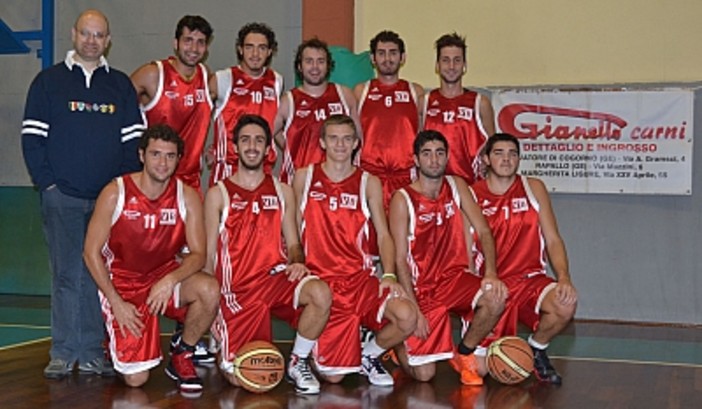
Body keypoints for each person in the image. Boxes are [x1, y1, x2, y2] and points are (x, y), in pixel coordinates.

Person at [21, 9, 144, 379]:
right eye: (86, 33)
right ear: (74, 35)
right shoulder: (48, 82)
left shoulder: (120, 85)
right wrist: (49, 185)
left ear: (108, 40)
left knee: (97, 275)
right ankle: (62, 351)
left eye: (99, 35)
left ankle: (92, 351)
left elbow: (133, 142)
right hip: (63, 198)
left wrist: (119, 191)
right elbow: (32, 139)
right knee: (65, 275)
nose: (92, 40)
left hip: (107, 202)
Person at [83, 125, 219, 392]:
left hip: (162, 277)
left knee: (209, 289)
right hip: (123, 284)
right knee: (137, 380)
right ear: (142, 155)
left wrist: (169, 280)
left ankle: (183, 353)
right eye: (156, 154)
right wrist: (116, 301)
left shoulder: (187, 196)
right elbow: (90, 252)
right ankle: (114, 344)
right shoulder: (115, 192)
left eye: (170, 156)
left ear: (179, 159)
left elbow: (199, 254)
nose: (163, 162)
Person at [205, 114, 332, 395]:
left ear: (268, 149)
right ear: (235, 147)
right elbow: (208, 255)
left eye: (259, 140)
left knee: (320, 293)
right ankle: (222, 338)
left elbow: (294, 242)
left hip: (275, 279)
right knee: (245, 378)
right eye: (245, 140)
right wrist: (210, 308)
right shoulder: (218, 194)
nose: (252, 146)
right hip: (237, 292)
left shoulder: (282, 190)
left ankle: (298, 361)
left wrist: (298, 262)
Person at [292, 114, 417, 386]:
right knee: (334, 378)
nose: (340, 144)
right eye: (334, 138)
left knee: (408, 317)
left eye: (347, 138)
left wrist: (389, 276)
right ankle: (317, 352)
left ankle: (368, 355)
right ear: (323, 142)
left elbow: (383, 235)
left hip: (360, 280)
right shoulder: (304, 177)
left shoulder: (368, 182)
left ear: (356, 143)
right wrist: (297, 261)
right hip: (322, 283)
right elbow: (291, 229)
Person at [389, 130, 506, 385]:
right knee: (424, 376)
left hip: (454, 279)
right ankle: (397, 344)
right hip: (421, 289)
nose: (434, 160)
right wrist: (414, 310)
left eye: (440, 153)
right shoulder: (403, 198)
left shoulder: (457, 186)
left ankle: (464, 352)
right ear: (416, 160)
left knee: (496, 297)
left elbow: (484, 231)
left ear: (447, 157)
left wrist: (491, 273)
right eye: (427, 154)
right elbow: (399, 259)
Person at [470, 133, 578, 384]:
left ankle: (537, 348)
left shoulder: (533, 188)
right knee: (480, 370)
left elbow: (553, 239)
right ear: (486, 159)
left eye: (512, 153)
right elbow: (464, 251)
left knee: (565, 303)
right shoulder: (472, 195)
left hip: (530, 281)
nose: (506, 159)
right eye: (499, 153)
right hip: (492, 288)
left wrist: (564, 277)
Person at [131, 15, 214, 194]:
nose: (193, 48)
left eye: (200, 42)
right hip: (154, 179)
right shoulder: (153, 74)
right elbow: (117, 105)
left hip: (191, 182)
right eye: (188, 40)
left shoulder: (205, 75)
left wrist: (219, 146)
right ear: (175, 43)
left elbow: (231, 109)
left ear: (206, 48)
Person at [273, 38, 358, 184]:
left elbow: (358, 136)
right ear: (300, 66)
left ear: (328, 65)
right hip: (297, 182)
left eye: (320, 61)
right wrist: (291, 147)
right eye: (309, 61)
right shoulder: (288, 100)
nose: (315, 67)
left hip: (338, 182)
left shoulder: (344, 95)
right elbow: (272, 132)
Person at [355, 30, 425, 209]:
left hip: (406, 176)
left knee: (405, 233)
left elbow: (422, 133)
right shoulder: (360, 91)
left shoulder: (415, 92)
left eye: (393, 53)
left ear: (402, 57)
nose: (387, 58)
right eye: (381, 53)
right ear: (373, 58)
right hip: (369, 175)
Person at [209, 22, 283, 185]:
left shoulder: (276, 80)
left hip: (264, 167)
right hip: (228, 166)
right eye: (249, 47)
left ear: (270, 51)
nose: (255, 53)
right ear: (240, 49)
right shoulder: (223, 79)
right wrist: (202, 151)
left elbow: (276, 125)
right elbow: (197, 116)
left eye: (262, 48)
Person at [422, 33, 495, 185]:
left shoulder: (481, 103)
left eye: (457, 60)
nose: (451, 66)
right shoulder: (424, 102)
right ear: (437, 65)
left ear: (464, 65)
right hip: (433, 190)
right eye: (445, 60)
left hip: (471, 189)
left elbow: (492, 149)